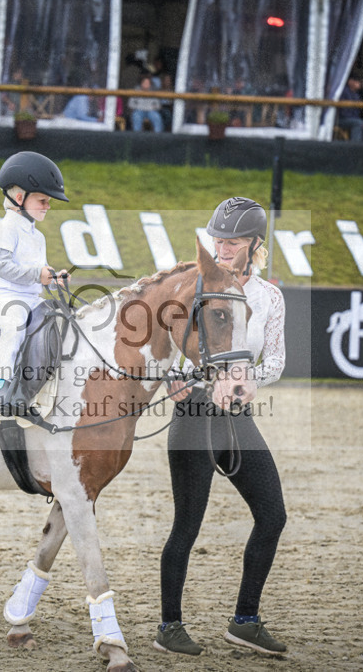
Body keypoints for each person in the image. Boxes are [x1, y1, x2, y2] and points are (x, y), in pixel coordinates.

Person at [154, 197, 287, 658]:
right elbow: (165, 342)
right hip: (194, 412)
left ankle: (244, 621)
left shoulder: (269, 297)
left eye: (232, 241)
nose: (222, 247)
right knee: (187, 527)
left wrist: (252, 378)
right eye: (218, 239)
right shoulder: (192, 284)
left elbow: (275, 359)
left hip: (238, 417)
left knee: (273, 515)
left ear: (254, 244)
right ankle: (169, 626)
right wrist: (174, 376)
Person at [0, 152, 71, 410]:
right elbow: (2, 267)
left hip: (33, 299)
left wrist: (54, 280)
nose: (48, 206)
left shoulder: (38, 237)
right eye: (43, 200)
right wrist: (38, 274)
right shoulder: (7, 227)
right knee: (14, 327)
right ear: (20, 198)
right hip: (8, 297)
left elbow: (38, 274)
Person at [336, 75, 363, 141]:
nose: (359, 83)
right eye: (356, 81)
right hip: (340, 119)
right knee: (358, 123)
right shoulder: (344, 91)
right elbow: (343, 112)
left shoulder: (356, 94)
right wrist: (355, 118)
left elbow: (357, 110)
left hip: (351, 118)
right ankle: (355, 147)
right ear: (350, 81)